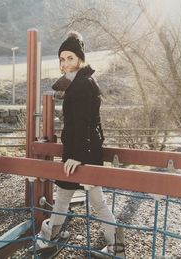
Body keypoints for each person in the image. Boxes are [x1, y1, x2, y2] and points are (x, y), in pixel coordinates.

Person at [35, 31, 119, 258]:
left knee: (93, 202)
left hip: (82, 154)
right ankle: (49, 240)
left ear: (80, 59)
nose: (65, 63)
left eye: (70, 58)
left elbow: (84, 125)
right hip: (82, 151)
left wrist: (77, 156)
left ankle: (115, 247)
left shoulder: (82, 84)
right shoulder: (80, 82)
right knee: (63, 198)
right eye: (62, 59)